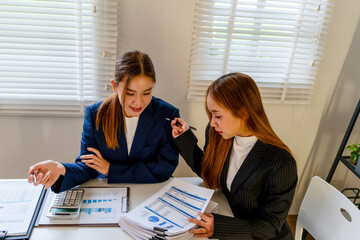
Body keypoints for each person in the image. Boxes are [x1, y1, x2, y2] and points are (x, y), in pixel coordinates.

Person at [28, 50, 180, 193]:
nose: (138, 102)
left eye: (147, 93)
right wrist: (61, 169)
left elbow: (163, 169)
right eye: (130, 93)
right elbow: (88, 167)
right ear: (115, 86)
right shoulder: (96, 114)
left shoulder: (167, 115)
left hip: (152, 192)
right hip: (109, 192)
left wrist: (110, 170)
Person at [171, 72, 297, 240]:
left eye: (218, 115)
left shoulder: (281, 163)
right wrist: (183, 138)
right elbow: (208, 171)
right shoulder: (221, 135)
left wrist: (219, 227)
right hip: (228, 221)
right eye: (211, 115)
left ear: (243, 112)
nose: (212, 122)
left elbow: (270, 226)